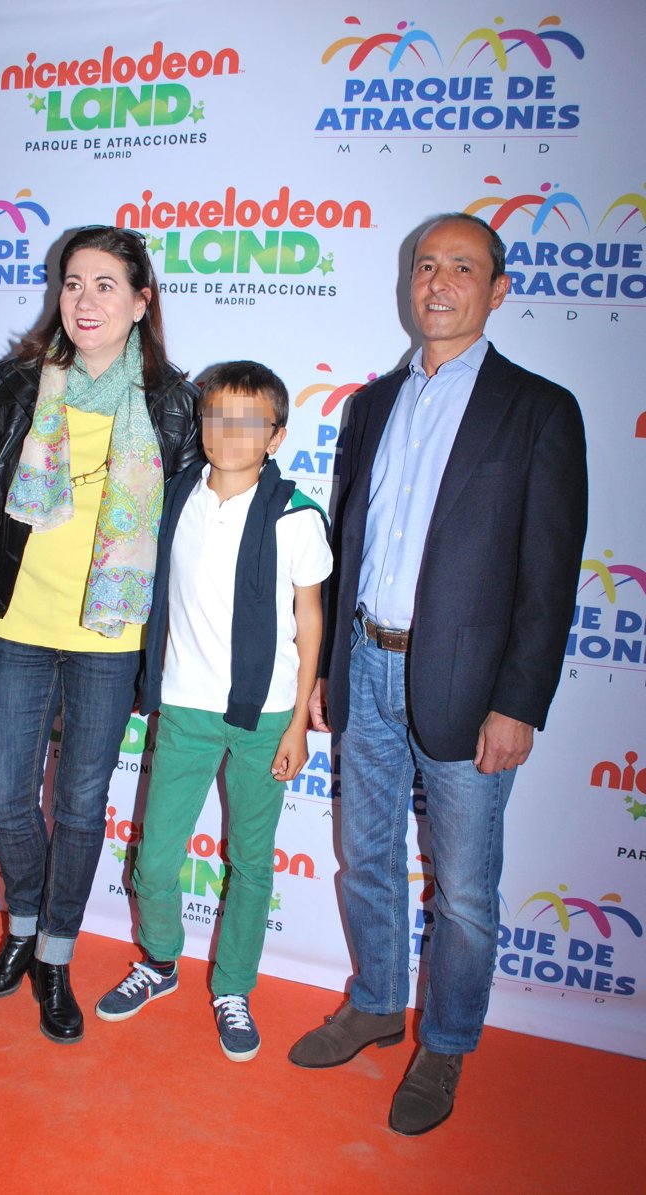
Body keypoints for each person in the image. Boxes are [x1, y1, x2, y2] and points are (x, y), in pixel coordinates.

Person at [288, 214, 588, 1133]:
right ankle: (378, 1003)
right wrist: (330, 669)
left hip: (469, 686)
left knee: (462, 890)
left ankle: (447, 1042)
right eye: (426, 265)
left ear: (498, 290)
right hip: (366, 664)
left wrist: (519, 701)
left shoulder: (538, 409)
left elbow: (549, 574)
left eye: (462, 266)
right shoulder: (371, 405)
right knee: (366, 857)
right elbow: (350, 542)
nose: (439, 281)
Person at [0, 226, 200, 1044]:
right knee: (6, 796)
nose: (84, 300)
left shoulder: (174, 402)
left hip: (111, 634)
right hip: (17, 620)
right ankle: (21, 928)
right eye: (72, 282)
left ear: (142, 301)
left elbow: (188, 535)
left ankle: (55, 955)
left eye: (105, 284)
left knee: (83, 804)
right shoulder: (17, 382)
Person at [95, 361, 332, 1060]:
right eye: (216, 416)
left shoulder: (296, 515)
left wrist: (298, 724)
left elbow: (310, 620)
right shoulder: (175, 496)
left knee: (251, 864)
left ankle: (233, 987)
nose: (229, 432)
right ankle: (160, 961)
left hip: (266, 714)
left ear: (276, 435)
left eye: (248, 421)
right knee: (155, 861)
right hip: (185, 708)